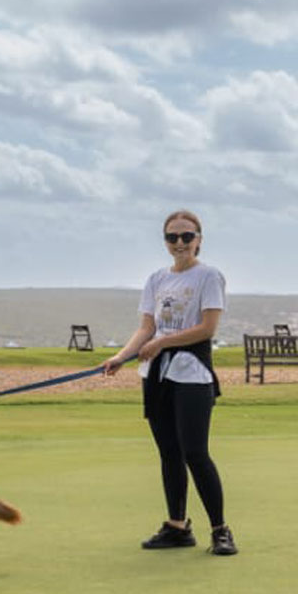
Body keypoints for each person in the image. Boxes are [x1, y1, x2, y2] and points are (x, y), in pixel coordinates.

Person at [100, 210, 236, 556]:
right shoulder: (156, 280)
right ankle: (178, 527)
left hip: (192, 374)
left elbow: (207, 329)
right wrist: (120, 356)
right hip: (157, 375)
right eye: (172, 237)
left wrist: (162, 343)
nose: (180, 243)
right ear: (165, 241)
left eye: (186, 237)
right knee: (169, 453)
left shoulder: (208, 277)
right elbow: (146, 328)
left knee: (194, 451)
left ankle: (220, 530)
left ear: (199, 240)